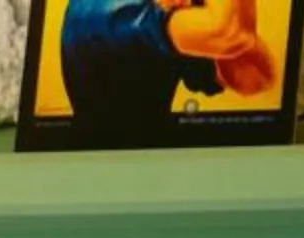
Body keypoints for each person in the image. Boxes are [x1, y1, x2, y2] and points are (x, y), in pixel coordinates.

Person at [56, 0, 278, 143]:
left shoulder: (165, 11)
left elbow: (254, 76)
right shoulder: (100, 10)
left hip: (162, 163)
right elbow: (229, 33)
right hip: (106, 172)